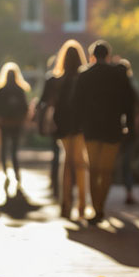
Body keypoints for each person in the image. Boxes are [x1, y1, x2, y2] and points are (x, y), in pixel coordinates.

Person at [76, 40, 135, 225]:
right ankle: (101, 204)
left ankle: (96, 208)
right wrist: (130, 125)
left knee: (93, 169)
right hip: (113, 128)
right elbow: (129, 101)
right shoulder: (118, 74)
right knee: (107, 170)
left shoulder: (85, 75)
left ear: (92, 55)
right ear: (108, 55)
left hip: (91, 128)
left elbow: (77, 102)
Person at [52, 40, 88, 220]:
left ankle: (65, 204)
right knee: (81, 164)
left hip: (63, 126)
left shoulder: (58, 80)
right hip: (80, 126)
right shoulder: (84, 78)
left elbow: (53, 105)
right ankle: (82, 205)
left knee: (66, 164)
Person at [0, 62, 31, 191]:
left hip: (4, 124)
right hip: (16, 124)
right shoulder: (20, 90)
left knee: (4, 150)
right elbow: (25, 108)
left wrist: (0, 120)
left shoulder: (1, 90)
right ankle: (16, 173)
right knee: (14, 151)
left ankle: (6, 173)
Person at [115, 58, 139, 205]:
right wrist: (136, 126)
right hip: (130, 131)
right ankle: (129, 192)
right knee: (127, 163)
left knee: (110, 163)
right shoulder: (132, 88)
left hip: (113, 131)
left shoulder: (112, 89)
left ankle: (100, 196)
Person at [37, 55, 62, 196]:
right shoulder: (66, 78)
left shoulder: (51, 78)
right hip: (67, 119)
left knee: (56, 151)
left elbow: (43, 99)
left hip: (53, 119)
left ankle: (54, 180)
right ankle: (60, 180)